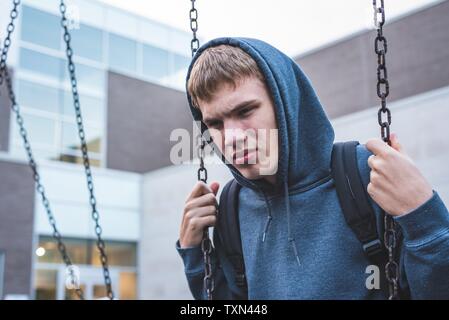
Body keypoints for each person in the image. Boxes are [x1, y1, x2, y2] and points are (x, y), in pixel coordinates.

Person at [176, 37, 449, 299]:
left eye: (246, 111)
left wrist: (423, 217)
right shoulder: (232, 204)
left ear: (285, 106)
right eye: (216, 124)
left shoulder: (365, 174)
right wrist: (196, 256)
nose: (232, 137)